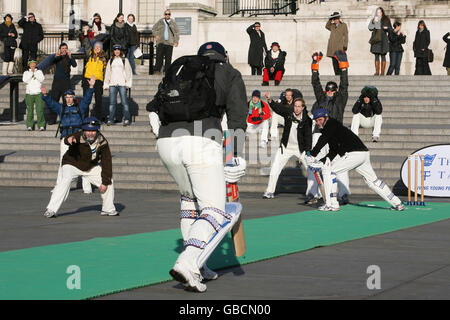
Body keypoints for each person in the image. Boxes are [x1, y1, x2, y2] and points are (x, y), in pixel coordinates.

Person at [147, 42, 248, 293]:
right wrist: (234, 155)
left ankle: (200, 266)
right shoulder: (229, 73)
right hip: (201, 141)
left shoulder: (182, 70)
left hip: (167, 141)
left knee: (190, 202)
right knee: (214, 211)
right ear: (224, 57)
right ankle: (188, 262)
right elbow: (236, 116)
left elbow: (152, 108)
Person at [306, 108, 405, 212]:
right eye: (316, 120)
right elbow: (333, 150)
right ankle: (397, 203)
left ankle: (332, 204)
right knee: (373, 181)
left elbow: (322, 140)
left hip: (354, 154)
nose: (318, 122)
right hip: (363, 154)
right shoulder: (332, 127)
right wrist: (321, 161)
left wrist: (312, 155)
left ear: (326, 117)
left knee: (330, 172)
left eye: (320, 119)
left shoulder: (331, 124)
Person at [43, 117, 118, 218]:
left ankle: (108, 209)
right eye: (87, 130)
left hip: (89, 167)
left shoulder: (103, 142)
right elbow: (67, 139)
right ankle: (51, 209)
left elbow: (107, 162)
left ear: (97, 131)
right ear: (83, 130)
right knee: (66, 180)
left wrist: (104, 182)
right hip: (72, 164)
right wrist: (68, 139)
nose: (90, 133)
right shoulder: (78, 136)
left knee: (108, 181)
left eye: (93, 131)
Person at [41, 76, 96, 195]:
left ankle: (87, 187)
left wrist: (91, 87)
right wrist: (45, 95)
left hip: (78, 138)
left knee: (84, 161)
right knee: (63, 163)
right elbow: (51, 103)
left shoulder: (79, 107)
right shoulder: (61, 108)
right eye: (67, 97)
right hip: (65, 138)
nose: (69, 99)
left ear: (73, 98)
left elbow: (87, 99)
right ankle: (58, 186)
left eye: (71, 97)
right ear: (65, 98)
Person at [309, 51, 350, 205]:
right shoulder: (321, 99)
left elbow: (345, 86)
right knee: (316, 164)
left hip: (336, 135)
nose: (330, 93)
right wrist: (315, 66)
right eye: (328, 90)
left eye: (333, 90)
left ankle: (344, 193)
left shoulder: (340, 100)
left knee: (342, 165)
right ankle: (317, 194)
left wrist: (344, 68)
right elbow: (315, 84)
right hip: (320, 134)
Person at [262, 95, 312, 199]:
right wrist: (270, 101)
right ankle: (269, 191)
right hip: (286, 147)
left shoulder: (307, 120)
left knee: (311, 169)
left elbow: (308, 136)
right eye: (295, 106)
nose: (297, 108)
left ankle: (312, 194)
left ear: (303, 107)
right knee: (275, 167)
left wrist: (308, 151)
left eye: (299, 106)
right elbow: (279, 109)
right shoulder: (289, 113)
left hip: (300, 149)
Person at [46, 42, 78, 125]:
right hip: (57, 81)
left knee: (66, 101)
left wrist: (71, 57)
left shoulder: (69, 57)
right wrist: (56, 56)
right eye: (62, 48)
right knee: (54, 100)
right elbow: (51, 62)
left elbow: (74, 65)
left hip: (66, 82)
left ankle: (66, 119)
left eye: (65, 48)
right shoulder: (58, 57)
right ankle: (52, 119)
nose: (64, 50)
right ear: (60, 49)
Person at [104, 44, 133, 126]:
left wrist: (128, 83)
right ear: (113, 51)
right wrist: (106, 84)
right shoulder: (111, 60)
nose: (116, 51)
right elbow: (108, 73)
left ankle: (127, 118)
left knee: (124, 102)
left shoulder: (124, 60)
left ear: (120, 51)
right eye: (115, 50)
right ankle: (111, 119)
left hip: (122, 84)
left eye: (118, 50)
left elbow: (129, 72)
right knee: (112, 103)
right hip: (112, 84)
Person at [82, 41, 107, 121]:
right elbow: (86, 46)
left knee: (98, 100)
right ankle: (85, 117)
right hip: (88, 79)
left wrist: (105, 82)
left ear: (101, 48)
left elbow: (105, 71)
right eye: (96, 46)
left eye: (99, 47)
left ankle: (98, 118)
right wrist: (85, 34)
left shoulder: (103, 58)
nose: (97, 48)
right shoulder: (89, 55)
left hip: (98, 80)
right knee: (86, 99)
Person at [152, 9, 180, 74]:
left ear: (170, 15)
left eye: (168, 14)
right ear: (164, 15)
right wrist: (156, 35)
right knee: (159, 57)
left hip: (169, 42)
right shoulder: (160, 21)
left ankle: (166, 71)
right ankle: (157, 70)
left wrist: (176, 41)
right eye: (166, 14)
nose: (167, 15)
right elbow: (154, 29)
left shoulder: (173, 22)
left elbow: (177, 32)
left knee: (168, 58)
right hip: (161, 41)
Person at [368, 7, 392, 76]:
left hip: (383, 39)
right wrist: (373, 22)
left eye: (380, 12)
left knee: (383, 55)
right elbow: (370, 28)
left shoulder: (386, 19)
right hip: (376, 39)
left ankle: (382, 72)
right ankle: (377, 71)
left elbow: (390, 29)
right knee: (376, 55)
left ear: (382, 12)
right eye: (378, 12)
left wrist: (386, 28)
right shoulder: (374, 19)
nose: (379, 13)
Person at [23, 60, 45, 131]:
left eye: (34, 64)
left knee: (40, 110)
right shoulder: (26, 73)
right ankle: (30, 125)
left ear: (35, 65)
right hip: (29, 94)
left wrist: (35, 73)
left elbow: (42, 79)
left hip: (38, 93)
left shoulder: (39, 72)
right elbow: (25, 80)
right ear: (29, 65)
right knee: (30, 110)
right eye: (31, 64)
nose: (32, 65)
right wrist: (31, 73)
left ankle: (41, 125)